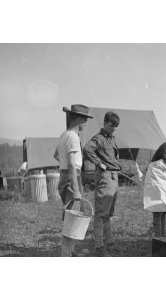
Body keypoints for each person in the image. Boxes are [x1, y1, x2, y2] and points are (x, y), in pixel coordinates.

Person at [54, 104, 93, 256]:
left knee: (72, 217)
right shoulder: (73, 137)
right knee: (72, 220)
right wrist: (76, 190)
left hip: (66, 176)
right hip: (72, 177)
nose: (85, 123)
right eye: (84, 119)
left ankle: (71, 252)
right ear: (77, 119)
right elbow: (71, 163)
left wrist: (64, 166)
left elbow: (56, 155)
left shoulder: (64, 135)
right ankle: (66, 254)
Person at [83, 111, 121, 256]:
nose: (114, 129)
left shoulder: (111, 138)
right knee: (101, 213)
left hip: (113, 176)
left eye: (116, 126)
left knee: (108, 213)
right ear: (105, 123)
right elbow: (87, 149)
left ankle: (109, 242)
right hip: (105, 177)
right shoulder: (99, 138)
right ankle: (99, 245)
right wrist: (99, 162)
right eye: (112, 125)